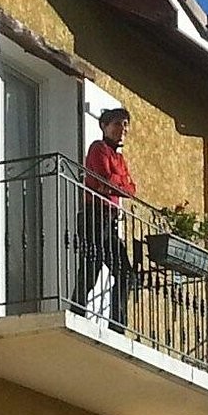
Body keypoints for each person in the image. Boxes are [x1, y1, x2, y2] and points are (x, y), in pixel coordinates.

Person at [79, 107, 135, 328]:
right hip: (93, 215)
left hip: (109, 219)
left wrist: (117, 183)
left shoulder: (119, 159)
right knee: (91, 269)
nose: (122, 130)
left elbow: (131, 190)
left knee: (126, 274)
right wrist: (117, 183)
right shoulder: (98, 148)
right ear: (104, 126)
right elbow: (104, 181)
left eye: (125, 125)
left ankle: (117, 324)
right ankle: (77, 310)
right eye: (117, 124)